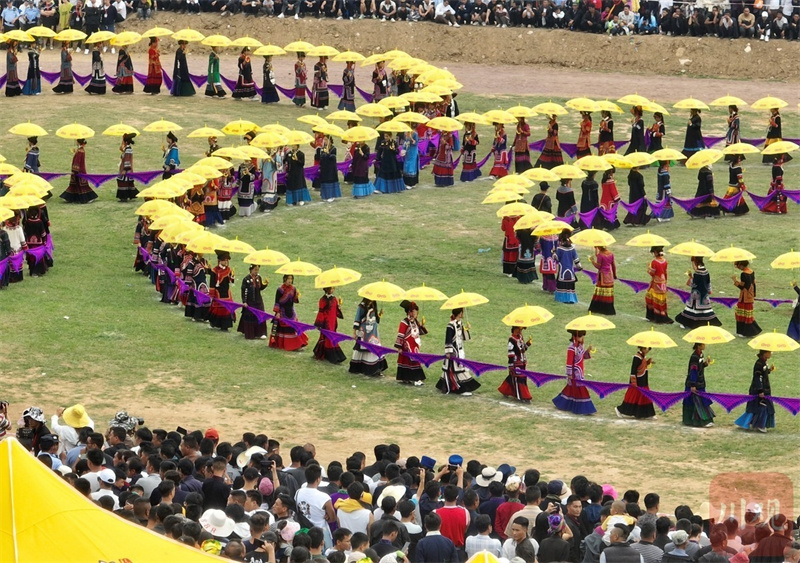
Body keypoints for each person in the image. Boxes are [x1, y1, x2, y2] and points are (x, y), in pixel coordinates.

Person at [438, 308, 480, 396]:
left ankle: (452, 385)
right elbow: (448, 339)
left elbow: (464, 338)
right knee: (456, 369)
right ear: (459, 313)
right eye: (462, 312)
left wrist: (466, 329)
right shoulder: (450, 325)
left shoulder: (460, 323)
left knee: (458, 368)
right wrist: (448, 352)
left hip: (460, 349)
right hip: (454, 351)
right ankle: (459, 388)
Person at [553, 330, 596, 415]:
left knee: (571, 389)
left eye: (582, 336)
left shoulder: (580, 346)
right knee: (579, 389)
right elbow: (569, 362)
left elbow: (582, 357)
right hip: (574, 373)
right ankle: (584, 409)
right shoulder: (571, 348)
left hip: (580, 372)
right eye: (580, 336)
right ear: (574, 337)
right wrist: (569, 374)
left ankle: (563, 404)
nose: (581, 338)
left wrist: (587, 351)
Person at [675, 256, 722, 328]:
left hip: (696, 295)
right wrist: (709, 290)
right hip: (704, 295)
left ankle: (687, 323)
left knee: (692, 310)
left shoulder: (697, 273)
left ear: (696, 262)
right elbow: (708, 282)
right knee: (705, 311)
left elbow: (693, 284)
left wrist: (690, 277)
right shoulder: (706, 271)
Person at [734, 351, 775, 433]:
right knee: (761, 407)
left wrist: (769, 370)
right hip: (758, 390)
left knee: (760, 407)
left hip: (765, 389)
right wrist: (760, 390)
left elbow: (763, 374)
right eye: (769, 352)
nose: (771, 354)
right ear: (764, 353)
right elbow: (757, 377)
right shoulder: (759, 364)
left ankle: (756, 423)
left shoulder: (764, 362)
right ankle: (760, 425)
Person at [349, 298, 388, 377]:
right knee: (362, 349)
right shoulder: (361, 307)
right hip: (364, 332)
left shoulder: (374, 305)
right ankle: (361, 368)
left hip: (373, 333)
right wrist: (354, 332)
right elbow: (357, 319)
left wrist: (379, 315)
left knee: (374, 348)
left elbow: (376, 319)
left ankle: (375, 369)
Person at [615, 347, 657, 419]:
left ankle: (647, 414)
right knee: (632, 397)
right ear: (642, 348)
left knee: (645, 396)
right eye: (647, 348)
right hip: (637, 381)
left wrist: (648, 362)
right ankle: (620, 410)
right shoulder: (637, 357)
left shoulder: (643, 356)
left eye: (649, 349)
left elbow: (642, 366)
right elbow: (633, 370)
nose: (648, 350)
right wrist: (633, 382)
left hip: (643, 380)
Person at [270, 275, 309, 351]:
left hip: (291, 312)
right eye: (288, 279)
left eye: (291, 279)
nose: (290, 280)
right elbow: (277, 302)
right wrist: (277, 312)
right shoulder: (280, 290)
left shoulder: (293, 289)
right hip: (282, 312)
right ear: (285, 279)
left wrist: (296, 296)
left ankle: (297, 344)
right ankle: (287, 345)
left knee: (293, 327)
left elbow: (294, 300)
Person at [395, 300, 427, 385]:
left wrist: (422, 325)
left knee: (415, 360)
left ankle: (411, 377)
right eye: (414, 311)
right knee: (411, 361)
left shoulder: (415, 321)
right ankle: (413, 378)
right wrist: (399, 347)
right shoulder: (404, 322)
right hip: (406, 346)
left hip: (414, 345)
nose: (416, 313)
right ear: (409, 312)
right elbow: (400, 334)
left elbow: (419, 332)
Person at [683, 343, 715, 428]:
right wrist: (693, 385)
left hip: (700, 382)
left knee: (700, 400)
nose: (705, 345)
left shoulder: (700, 355)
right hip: (695, 383)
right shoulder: (694, 357)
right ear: (698, 346)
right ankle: (703, 421)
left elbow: (698, 367)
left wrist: (705, 364)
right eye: (703, 344)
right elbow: (693, 370)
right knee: (700, 401)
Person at [498, 326, 532, 403]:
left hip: (522, 362)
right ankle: (523, 396)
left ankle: (505, 390)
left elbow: (522, 350)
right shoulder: (511, 340)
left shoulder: (520, 337)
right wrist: (511, 365)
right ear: (515, 329)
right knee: (519, 378)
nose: (521, 330)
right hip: (516, 363)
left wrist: (527, 344)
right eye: (520, 329)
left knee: (514, 376)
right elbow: (510, 353)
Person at [313, 287, 346, 364]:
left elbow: (336, 311)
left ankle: (324, 353)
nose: (333, 290)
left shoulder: (334, 299)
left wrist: (339, 308)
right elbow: (320, 312)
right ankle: (332, 356)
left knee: (331, 336)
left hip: (333, 321)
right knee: (328, 337)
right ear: (327, 289)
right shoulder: (322, 300)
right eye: (331, 288)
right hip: (326, 322)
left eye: (333, 288)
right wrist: (319, 323)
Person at [60, 139, 97, 204]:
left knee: (82, 186)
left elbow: (77, 162)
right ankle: (71, 198)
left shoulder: (80, 151)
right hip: (79, 171)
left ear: (78, 142)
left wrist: (75, 170)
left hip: (79, 171)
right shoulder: (80, 150)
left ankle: (90, 197)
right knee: (74, 185)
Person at [732, 260, 762, 337]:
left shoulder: (743, 274)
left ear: (741, 265)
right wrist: (753, 295)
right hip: (750, 295)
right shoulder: (751, 272)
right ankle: (747, 332)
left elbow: (742, 286)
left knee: (741, 314)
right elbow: (753, 284)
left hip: (744, 297)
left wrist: (735, 281)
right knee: (748, 315)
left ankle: (744, 332)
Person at [237, 265, 268, 340]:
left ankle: (261, 333)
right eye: (255, 270)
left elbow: (260, 288)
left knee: (260, 315)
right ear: (251, 270)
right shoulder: (246, 279)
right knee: (250, 316)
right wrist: (244, 301)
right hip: (250, 301)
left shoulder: (258, 278)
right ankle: (250, 333)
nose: (256, 271)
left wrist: (265, 284)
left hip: (258, 301)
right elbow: (243, 291)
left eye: (257, 270)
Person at [207, 252, 235, 332]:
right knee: (218, 309)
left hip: (226, 293)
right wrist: (212, 294)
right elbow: (212, 284)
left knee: (227, 309)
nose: (226, 262)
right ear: (220, 261)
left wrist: (232, 277)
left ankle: (225, 325)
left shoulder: (229, 270)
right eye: (224, 260)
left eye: (227, 260)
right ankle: (215, 323)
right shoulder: (214, 271)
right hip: (218, 293)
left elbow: (230, 282)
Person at [645, 246, 673, 324]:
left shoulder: (654, 262)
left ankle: (653, 317)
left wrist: (648, 269)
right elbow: (665, 273)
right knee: (661, 300)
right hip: (663, 283)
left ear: (656, 252)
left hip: (656, 284)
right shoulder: (665, 261)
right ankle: (662, 315)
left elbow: (653, 273)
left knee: (650, 299)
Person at [554, 231, 581, 304]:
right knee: (570, 283)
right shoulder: (572, 249)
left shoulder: (559, 249)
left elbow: (556, 259)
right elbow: (577, 261)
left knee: (562, 282)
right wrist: (579, 267)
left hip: (562, 271)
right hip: (571, 272)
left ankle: (561, 298)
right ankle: (571, 298)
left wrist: (553, 253)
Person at [588, 246, 616, 315]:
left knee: (600, 292)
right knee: (608, 292)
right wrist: (615, 275)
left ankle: (598, 308)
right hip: (609, 275)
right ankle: (608, 308)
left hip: (602, 276)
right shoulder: (610, 254)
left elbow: (598, 266)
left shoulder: (600, 255)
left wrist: (592, 261)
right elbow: (613, 265)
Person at [317, 136, 341, 202]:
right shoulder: (322, 149)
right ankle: (325, 195)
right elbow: (321, 158)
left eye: (326, 139)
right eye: (324, 139)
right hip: (324, 168)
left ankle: (332, 195)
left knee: (330, 181)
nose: (325, 141)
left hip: (331, 168)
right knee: (325, 181)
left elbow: (333, 158)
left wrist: (328, 154)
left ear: (330, 140)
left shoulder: (333, 149)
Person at [116, 133, 137, 201]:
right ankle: (125, 196)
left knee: (123, 182)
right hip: (124, 168)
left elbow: (127, 160)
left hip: (126, 169)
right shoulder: (127, 149)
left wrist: (125, 169)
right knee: (125, 182)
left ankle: (124, 197)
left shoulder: (128, 149)